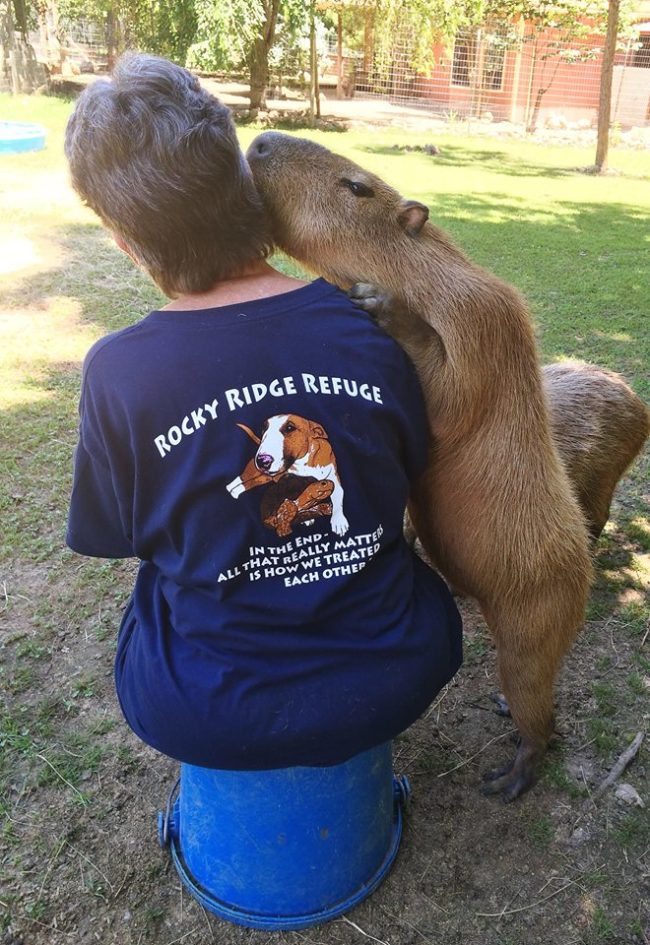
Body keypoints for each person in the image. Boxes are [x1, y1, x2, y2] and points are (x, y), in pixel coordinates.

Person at [65, 52, 462, 771]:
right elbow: (410, 471)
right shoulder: (373, 326)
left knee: (160, 577)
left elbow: (116, 535)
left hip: (209, 711)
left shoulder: (118, 372)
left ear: (123, 242)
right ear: (247, 186)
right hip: (399, 668)